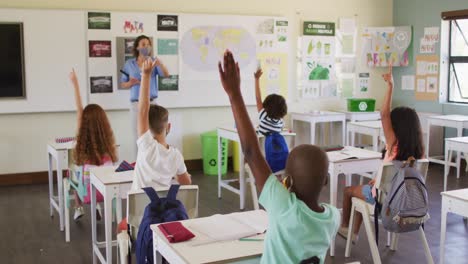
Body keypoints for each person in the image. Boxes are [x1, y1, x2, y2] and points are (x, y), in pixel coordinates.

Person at [218, 50, 340, 263]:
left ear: (287, 181)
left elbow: (251, 151)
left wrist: (234, 93)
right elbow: (252, 152)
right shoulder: (333, 217)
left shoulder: (284, 207)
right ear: (325, 181)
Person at [338, 63, 424, 242]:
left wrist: (391, 86)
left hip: (386, 201)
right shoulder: (419, 152)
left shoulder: (394, 145)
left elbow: (384, 114)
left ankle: (347, 230)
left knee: (348, 191)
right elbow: (401, 173)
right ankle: (353, 232)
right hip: (408, 201)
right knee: (364, 191)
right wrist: (379, 179)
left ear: (396, 127)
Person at [131, 58, 191, 190]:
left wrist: (145, 76)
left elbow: (142, 110)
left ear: (145, 127)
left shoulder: (146, 146)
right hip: (162, 209)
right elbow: (187, 183)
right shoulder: (176, 155)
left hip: (140, 210)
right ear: (168, 127)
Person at [69, 69, 119, 221]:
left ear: (83, 124)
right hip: (108, 192)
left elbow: (79, 109)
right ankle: (99, 206)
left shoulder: (81, 144)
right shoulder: (110, 147)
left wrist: (75, 84)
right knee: (99, 173)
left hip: (87, 194)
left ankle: (78, 207)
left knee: (72, 172)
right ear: (104, 123)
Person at [120, 35, 170, 158]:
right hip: (136, 104)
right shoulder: (129, 64)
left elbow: (166, 75)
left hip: (152, 104)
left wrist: (160, 64)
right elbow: (123, 84)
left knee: (156, 134)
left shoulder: (153, 61)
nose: (146, 47)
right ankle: (140, 164)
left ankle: (156, 162)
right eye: (143, 44)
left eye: (148, 44)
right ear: (137, 47)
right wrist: (130, 83)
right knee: (138, 136)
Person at [254, 68, 287, 136]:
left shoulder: (264, 116)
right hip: (273, 147)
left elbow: (258, 98)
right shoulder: (281, 123)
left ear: (266, 106)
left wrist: (256, 79)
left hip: (260, 146)